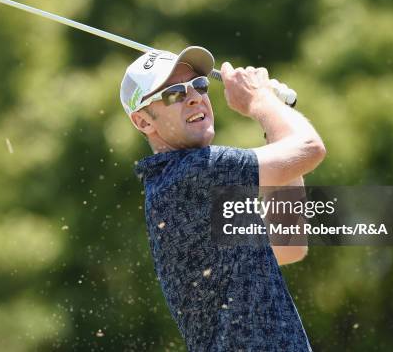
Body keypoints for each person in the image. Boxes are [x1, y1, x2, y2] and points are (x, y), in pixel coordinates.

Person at [120, 46, 326, 351]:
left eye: (199, 85)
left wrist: (274, 121)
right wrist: (262, 101)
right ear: (144, 122)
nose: (194, 97)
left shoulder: (180, 182)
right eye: (174, 93)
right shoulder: (194, 172)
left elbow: (288, 244)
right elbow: (310, 148)